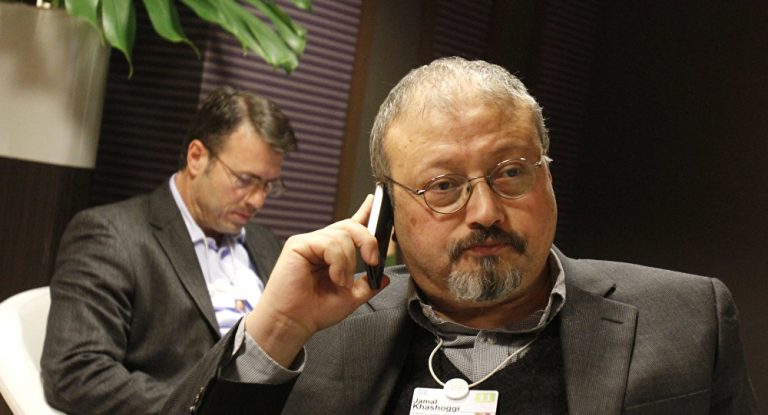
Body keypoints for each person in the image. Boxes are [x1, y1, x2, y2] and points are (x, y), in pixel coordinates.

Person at [163, 58, 758, 414]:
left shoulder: (686, 318)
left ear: (548, 177)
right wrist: (275, 332)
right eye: (443, 186)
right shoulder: (321, 334)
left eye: (511, 173)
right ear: (386, 208)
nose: (486, 212)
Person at [41, 86, 298, 414]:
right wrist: (204, 408)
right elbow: (75, 372)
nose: (257, 200)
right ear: (197, 157)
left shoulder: (265, 243)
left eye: (268, 185)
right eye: (245, 179)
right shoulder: (112, 235)